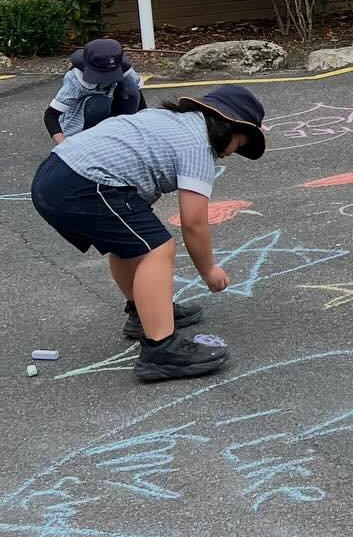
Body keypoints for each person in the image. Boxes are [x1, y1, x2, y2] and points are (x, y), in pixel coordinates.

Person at [29, 85, 266, 383]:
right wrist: (208, 270)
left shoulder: (168, 121)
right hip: (82, 183)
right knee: (157, 249)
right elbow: (193, 221)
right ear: (228, 128)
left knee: (132, 244)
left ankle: (144, 314)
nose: (232, 154)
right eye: (239, 144)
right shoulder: (198, 145)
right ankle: (161, 350)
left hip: (55, 174)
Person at [44, 36, 146, 143]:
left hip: (110, 112)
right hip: (80, 122)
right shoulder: (75, 80)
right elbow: (50, 115)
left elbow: (137, 94)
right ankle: (90, 141)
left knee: (131, 86)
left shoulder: (124, 68)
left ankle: (123, 132)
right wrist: (64, 145)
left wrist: (144, 126)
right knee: (100, 103)